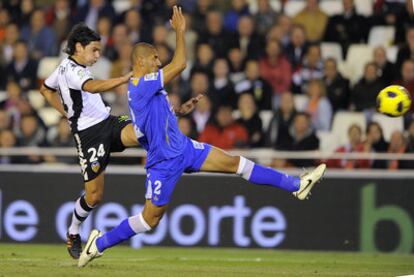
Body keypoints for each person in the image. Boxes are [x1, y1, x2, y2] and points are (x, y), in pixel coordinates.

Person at [78, 6, 326, 268]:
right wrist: (180, 32)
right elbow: (181, 63)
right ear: (141, 61)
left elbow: (155, 118)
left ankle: (296, 186)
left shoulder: (148, 87)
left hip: (184, 149)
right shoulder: (140, 84)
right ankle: (99, 244)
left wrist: (178, 111)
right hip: (163, 162)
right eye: (154, 58)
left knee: (235, 163)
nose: (159, 62)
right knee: (150, 219)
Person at [40, 22, 201, 260]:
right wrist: (123, 78)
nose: (97, 55)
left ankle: (172, 165)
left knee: (144, 130)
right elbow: (94, 87)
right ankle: (74, 231)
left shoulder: (66, 68)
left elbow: (45, 89)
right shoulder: (72, 71)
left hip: (108, 121)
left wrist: (67, 111)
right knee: (94, 196)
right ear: (78, 47)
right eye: (94, 50)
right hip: (89, 135)